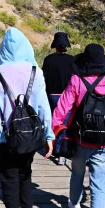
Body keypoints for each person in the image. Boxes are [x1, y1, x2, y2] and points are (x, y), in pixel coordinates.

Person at [0, 28, 55, 208]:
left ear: (4, 49)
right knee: (25, 172)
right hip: (31, 135)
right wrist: (49, 135)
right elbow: (43, 107)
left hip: (5, 137)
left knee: (9, 179)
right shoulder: (36, 72)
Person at [52, 43, 105, 208]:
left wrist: (54, 131)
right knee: (99, 184)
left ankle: (75, 204)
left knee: (77, 172)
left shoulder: (76, 81)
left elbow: (62, 107)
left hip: (80, 138)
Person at [42, 31, 76, 165]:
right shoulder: (72, 60)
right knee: (64, 124)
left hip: (51, 95)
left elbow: (43, 79)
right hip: (67, 97)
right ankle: (60, 152)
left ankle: (49, 146)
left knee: (51, 122)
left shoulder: (48, 60)